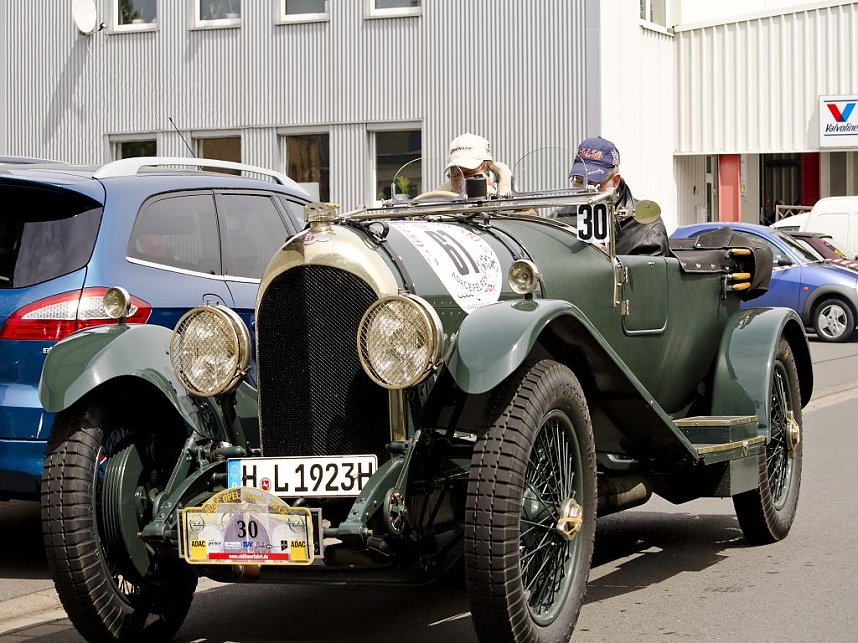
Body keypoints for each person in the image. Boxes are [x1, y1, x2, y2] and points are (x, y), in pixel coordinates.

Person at [568, 136, 669, 256]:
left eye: (592, 184)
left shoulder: (646, 228)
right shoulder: (563, 217)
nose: (584, 191)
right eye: (579, 182)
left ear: (615, 181)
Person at [439, 133, 512, 196]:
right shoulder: (437, 205)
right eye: (455, 176)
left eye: (468, 173)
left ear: (488, 170)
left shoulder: (516, 205)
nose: (460, 184)